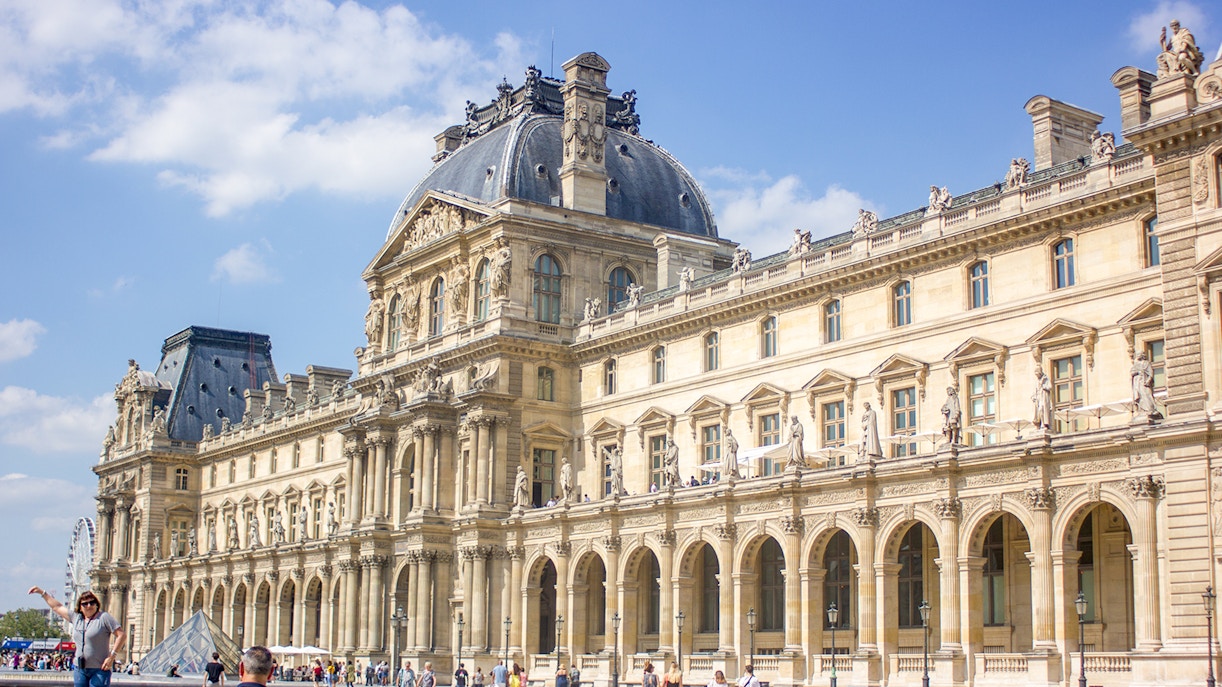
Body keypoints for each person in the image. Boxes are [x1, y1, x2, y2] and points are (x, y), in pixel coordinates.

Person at [29, 585, 124, 687]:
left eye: (92, 602)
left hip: (99, 669)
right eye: (85, 604)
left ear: (97, 605)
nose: (89, 605)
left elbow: (121, 635)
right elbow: (57, 607)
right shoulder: (76, 618)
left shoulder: (104, 618)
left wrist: (112, 657)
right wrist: (42, 593)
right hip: (80, 669)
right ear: (80, 607)